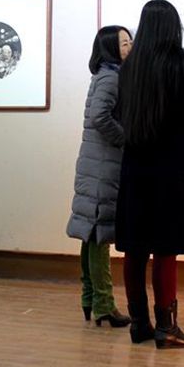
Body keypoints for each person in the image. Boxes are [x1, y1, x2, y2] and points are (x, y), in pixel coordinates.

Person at [115, 0, 184, 349]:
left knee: (135, 248)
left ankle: (139, 323)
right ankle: (166, 327)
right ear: (173, 27)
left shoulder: (129, 68)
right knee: (166, 248)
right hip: (173, 167)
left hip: (135, 166)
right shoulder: (181, 64)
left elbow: (121, 115)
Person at [66, 25, 134, 328]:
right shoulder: (111, 77)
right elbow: (100, 116)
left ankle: (90, 298)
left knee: (91, 232)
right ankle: (104, 304)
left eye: (130, 41)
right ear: (109, 48)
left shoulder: (105, 74)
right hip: (103, 165)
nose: (130, 47)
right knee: (99, 233)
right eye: (124, 43)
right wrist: (125, 139)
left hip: (96, 163)